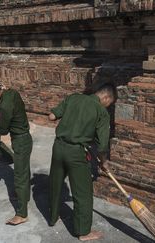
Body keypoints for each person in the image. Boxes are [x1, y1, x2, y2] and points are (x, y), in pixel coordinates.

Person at [48, 83, 117, 241]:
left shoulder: (74, 98)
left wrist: (70, 123)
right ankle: (83, 232)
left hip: (58, 147)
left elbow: (51, 116)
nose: (107, 106)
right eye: (109, 103)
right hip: (76, 154)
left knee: (55, 182)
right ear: (106, 97)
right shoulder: (101, 112)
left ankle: (52, 217)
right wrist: (104, 162)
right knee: (83, 193)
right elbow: (102, 145)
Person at [0, 78, 33, 226]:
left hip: (21, 141)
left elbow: (2, 130)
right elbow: (0, 111)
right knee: (23, 170)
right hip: (24, 139)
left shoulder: (6, 105)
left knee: (19, 176)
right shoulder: (11, 93)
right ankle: (24, 196)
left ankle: (22, 214)